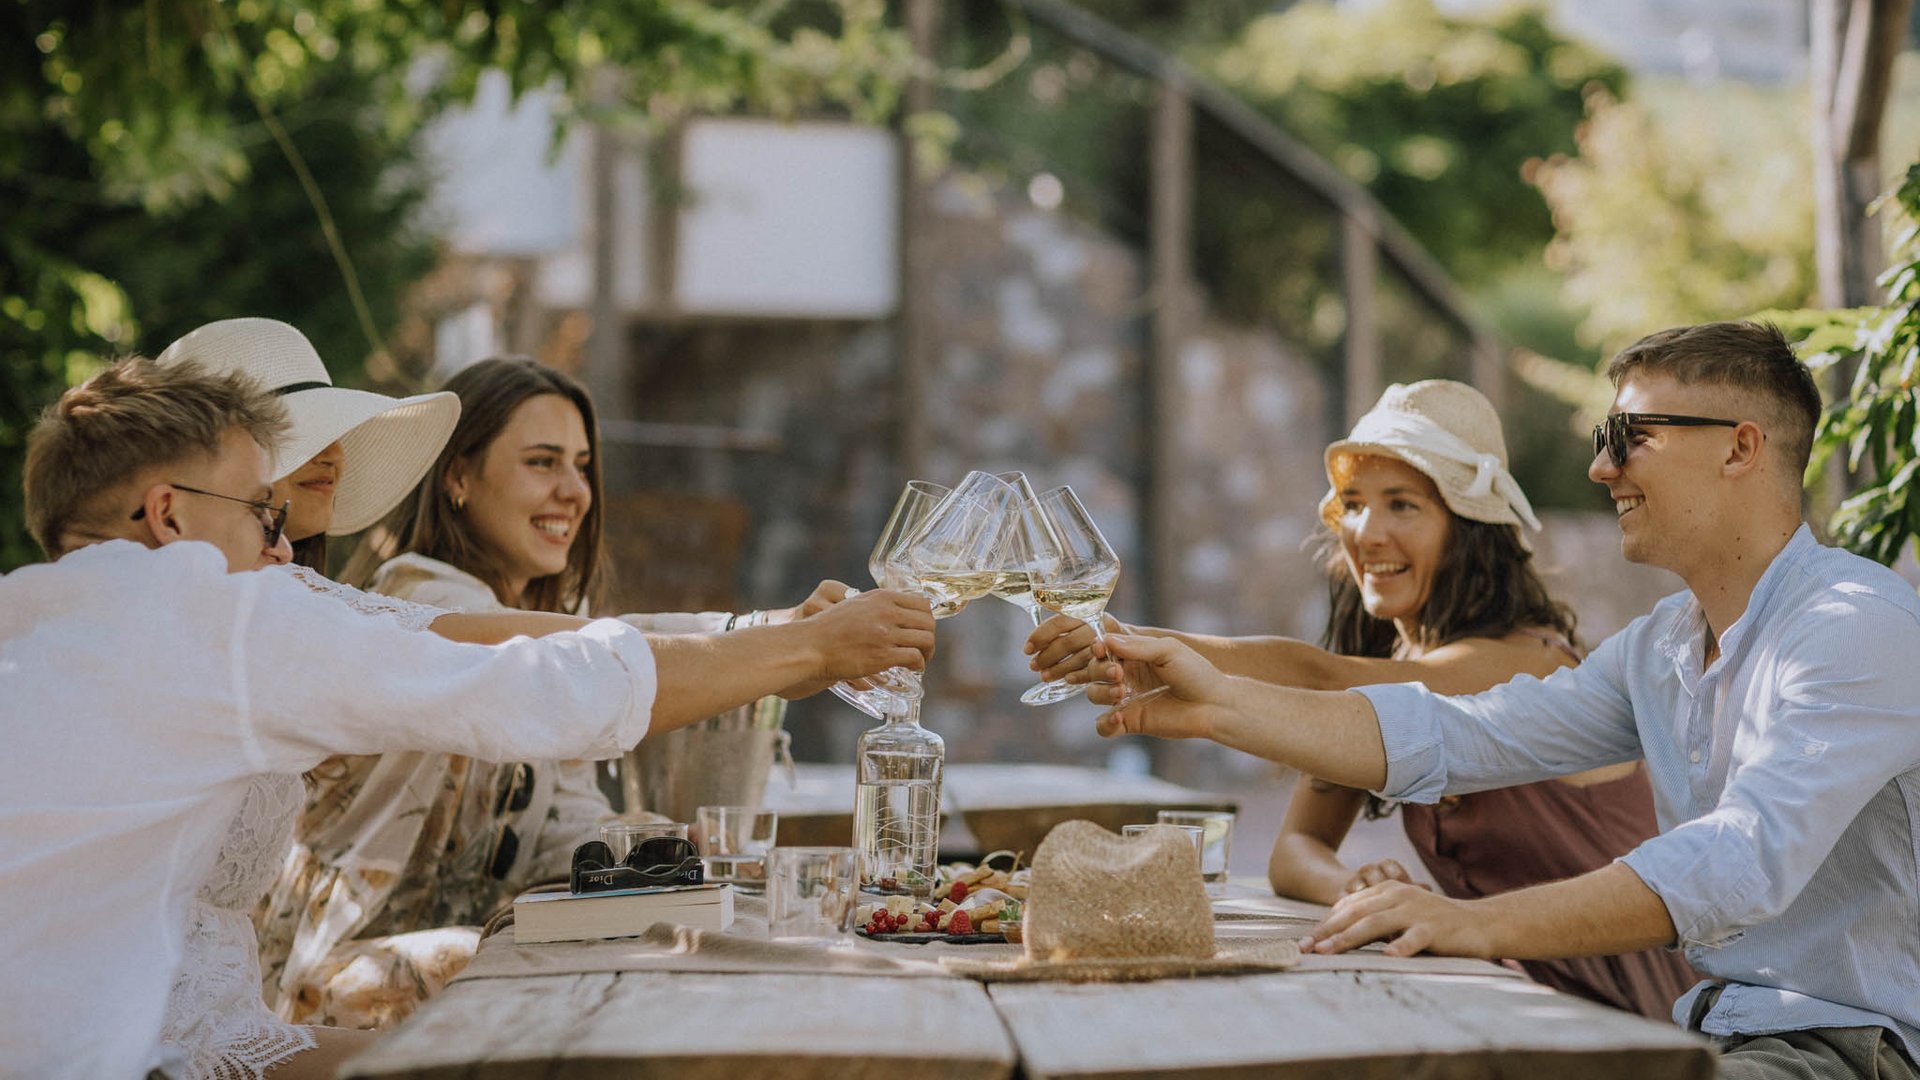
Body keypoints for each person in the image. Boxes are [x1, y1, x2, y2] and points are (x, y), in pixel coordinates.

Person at [0, 357, 935, 1080]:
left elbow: (475, 637)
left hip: (181, 1036)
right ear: (168, 514)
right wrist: (809, 654)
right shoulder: (211, 614)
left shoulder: (44, 614)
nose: (284, 545)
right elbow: (533, 686)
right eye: (260, 511)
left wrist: (765, 633)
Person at [1083, 322, 1920, 1080]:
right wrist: (1216, 706)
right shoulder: (1660, 646)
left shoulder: (1852, 626)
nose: (1601, 466)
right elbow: (1459, 737)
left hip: (1853, 1051)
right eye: (1604, 438)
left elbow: (1741, 860)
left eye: (1630, 437)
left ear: (1741, 449)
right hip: (1715, 1034)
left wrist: (1475, 924)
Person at [1025, 379, 1694, 1018]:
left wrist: (1132, 642)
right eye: (1354, 503)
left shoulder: (1521, 661)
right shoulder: (1387, 680)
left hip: (1626, 1018)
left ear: (1470, 529)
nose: (1367, 533)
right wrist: (1352, 886)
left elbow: (1316, 676)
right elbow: (1295, 849)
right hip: (1510, 1000)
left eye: (1403, 503)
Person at [253, 356, 846, 1028]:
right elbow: (577, 659)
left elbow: (566, 830)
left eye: (582, 465)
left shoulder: (553, 633)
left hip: (471, 962)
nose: (575, 490)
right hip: (318, 979)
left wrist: (665, 862)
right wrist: (775, 636)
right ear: (458, 478)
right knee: (552, 976)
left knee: (663, 952)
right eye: (542, 462)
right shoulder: (420, 596)